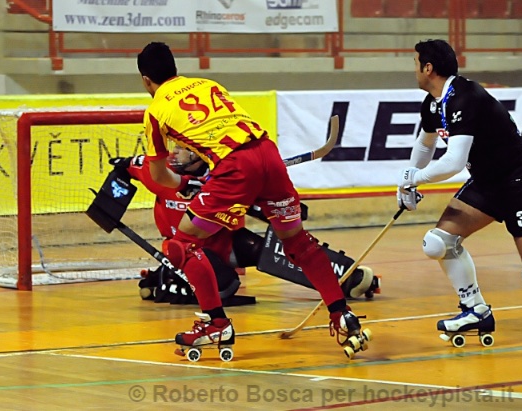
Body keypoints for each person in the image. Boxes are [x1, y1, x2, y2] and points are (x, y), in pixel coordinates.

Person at [136, 41, 369, 357]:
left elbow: (160, 176)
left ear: (145, 80)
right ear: (175, 68)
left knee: (182, 245)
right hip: (267, 153)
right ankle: (341, 314)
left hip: (234, 167)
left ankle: (216, 323)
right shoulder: (208, 84)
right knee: (297, 242)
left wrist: (186, 183)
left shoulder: (155, 112)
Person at [109, 149, 379, 304]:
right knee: (225, 286)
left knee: (275, 250)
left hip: (225, 242)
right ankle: (168, 277)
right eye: (174, 146)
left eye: (182, 148)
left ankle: (348, 278)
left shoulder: (222, 178)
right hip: (188, 249)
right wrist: (120, 171)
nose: (174, 153)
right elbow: (128, 165)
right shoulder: (160, 173)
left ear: (199, 155)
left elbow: (260, 204)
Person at [397, 39, 522, 344]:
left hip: (519, 179)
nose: (414, 70)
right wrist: (407, 182)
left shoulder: (466, 97)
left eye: (416, 63)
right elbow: (425, 144)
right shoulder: (433, 103)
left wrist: (416, 178)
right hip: (486, 182)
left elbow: (453, 162)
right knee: (438, 243)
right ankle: (475, 310)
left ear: (428, 68)